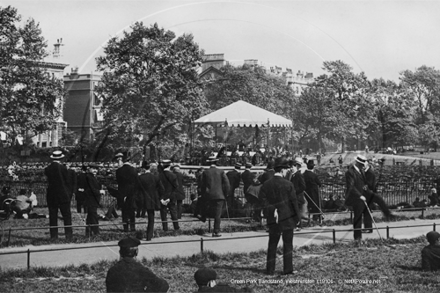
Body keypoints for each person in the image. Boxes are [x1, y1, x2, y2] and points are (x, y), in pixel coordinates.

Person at [259, 157, 300, 275]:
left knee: (272, 244)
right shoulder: (288, 184)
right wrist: (297, 218)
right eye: (286, 169)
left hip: (273, 218)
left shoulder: (266, 184)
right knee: (288, 244)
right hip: (287, 218)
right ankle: (288, 269)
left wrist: (272, 209)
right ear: (282, 170)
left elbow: (262, 201)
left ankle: (270, 269)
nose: (287, 171)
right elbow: (294, 203)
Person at [44, 150, 73, 240]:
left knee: (53, 216)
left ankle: (54, 236)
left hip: (52, 195)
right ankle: (68, 236)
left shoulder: (47, 169)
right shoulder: (63, 169)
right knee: (66, 215)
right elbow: (67, 182)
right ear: (61, 158)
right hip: (63, 195)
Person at [345, 155, 373, 241]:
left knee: (363, 215)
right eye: (361, 164)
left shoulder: (361, 171)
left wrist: (365, 187)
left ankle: (360, 236)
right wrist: (359, 195)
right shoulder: (350, 172)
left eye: (363, 164)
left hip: (363, 197)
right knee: (357, 218)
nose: (362, 166)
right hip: (356, 198)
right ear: (357, 163)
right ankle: (357, 238)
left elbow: (363, 182)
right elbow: (351, 187)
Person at [200, 157, 230, 237]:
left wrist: (203, 194)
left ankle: (203, 216)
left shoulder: (205, 172)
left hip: (209, 195)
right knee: (217, 214)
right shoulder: (221, 171)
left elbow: (202, 185)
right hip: (219, 195)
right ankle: (216, 231)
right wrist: (226, 194)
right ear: (216, 163)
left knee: (207, 207)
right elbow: (227, 184)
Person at [115, 153, 143, 232]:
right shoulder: (133, 170)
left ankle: (125, 228)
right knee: (131, 211)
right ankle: (132, 227)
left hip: (122, 192)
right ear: (129, 161)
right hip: (132, 193)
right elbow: (137, 182)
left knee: (124, 211)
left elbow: (118, 182)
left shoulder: (118, 171)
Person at [139, 161, 164, 241]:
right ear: (149, 168)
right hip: (152, 199)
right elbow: (161, 189)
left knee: (138, 214)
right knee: (151, 217)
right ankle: (149, 235)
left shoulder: (140, 177)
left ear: (143, 168)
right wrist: (159, 197)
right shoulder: (155, 177)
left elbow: (136, 189)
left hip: (142, 199)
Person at [158, 159, 180, 231]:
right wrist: (169, 198)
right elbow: (176, 187)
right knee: (173, 212)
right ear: (170, 165)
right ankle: (176, 227)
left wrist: (161, 198)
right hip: (171, 197)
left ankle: (165, 228)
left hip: (162, 197)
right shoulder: (173, 175)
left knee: (163, 213)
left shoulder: (159, 175)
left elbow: (157, 188)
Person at [84, 164, 104, 236]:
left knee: (90, 216)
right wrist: (99, 191)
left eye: (96, 169)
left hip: (94, 199)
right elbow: (91, 189)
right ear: (89, 169)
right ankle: (96, 232)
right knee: (93, 215)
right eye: (93, 169)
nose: (95, 170)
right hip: (90, 199)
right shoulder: (88, 177)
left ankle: (88, 232)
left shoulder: (93, 177)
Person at [290, 158, 307, 230]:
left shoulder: (298, 175)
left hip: (298, 196)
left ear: (296, 167)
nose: (291, 168)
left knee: (296, 210)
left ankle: (298, 224)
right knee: (294, 210)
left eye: (292, 167)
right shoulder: (294, 175)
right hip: (295, 196)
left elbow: (303, 186)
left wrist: (295, 191)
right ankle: (296, 224)